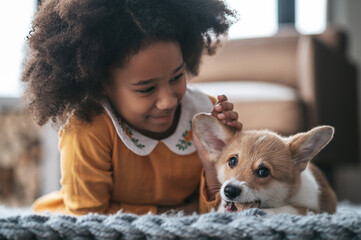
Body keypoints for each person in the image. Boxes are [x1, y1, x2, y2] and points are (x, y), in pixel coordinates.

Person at [22, 0, 241, 215]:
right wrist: (178, 214)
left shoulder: (204, 112)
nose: (169, 101)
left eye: (177, 77)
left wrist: (216, 162)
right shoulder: (88, 131)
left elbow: (219, 211)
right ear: (102, 85)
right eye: (146, 89)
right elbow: (88, 218)